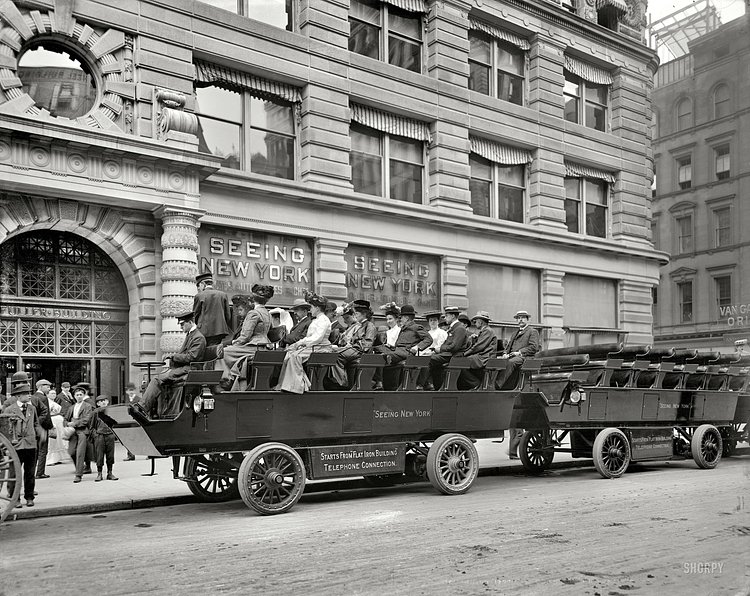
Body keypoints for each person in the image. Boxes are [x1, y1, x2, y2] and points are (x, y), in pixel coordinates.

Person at [133, 311, 207, 419]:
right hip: (185, 368)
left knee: (157, 380)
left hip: (190, 369)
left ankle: (142, 408)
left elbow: (192, 357)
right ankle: (151, 411)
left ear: (190, 322)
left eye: (182, 324)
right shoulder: (191, 335)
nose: (181, 327)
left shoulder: (198, 337)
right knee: (158, 380)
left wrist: (173, 357)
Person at [500, 309, 541, 459]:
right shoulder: (515, 333)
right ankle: (512, 452)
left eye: (523, 318)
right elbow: (508, 347)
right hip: (513, 361)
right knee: (502, 361)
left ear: (528, 319)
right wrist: (505, 352)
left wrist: (519, 353)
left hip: (524, 360)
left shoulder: (532, 332)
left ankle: (498, 385)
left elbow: (534, 347)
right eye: (518, 318)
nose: (520, 320)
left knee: (509, 363)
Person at [275, 292, 333, 394]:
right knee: (289, 354)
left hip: (321, 347)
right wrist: (298, 344)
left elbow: (317, 338)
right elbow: (311, 338)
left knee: (295, 357)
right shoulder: (317, 320)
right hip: (314, 346)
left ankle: (299, 385)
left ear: (317, 308)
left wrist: (300, 343)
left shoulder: (323, 320)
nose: (310, 310)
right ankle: (286, 384)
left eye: (312, 307)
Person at [220, 285, 274, 390]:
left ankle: (226, 380)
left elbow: (245, 337)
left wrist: (233, 343)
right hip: (265, 346)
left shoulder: (253, 313)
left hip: (254, 347)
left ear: (253, 299)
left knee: (223, 352)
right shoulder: (267, 313)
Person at [376, 304, 432, 391]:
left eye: (401, 317)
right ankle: (384, 384)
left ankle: (380, 383)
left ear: (406, 318)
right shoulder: (403, 328)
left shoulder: (416, 327)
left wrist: (417, 347)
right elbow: (400, 344)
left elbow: (428, 339)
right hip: (397, 351)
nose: (400, 319)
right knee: (376, 350)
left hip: (406, 352)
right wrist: (391, 346)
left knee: (382, 357)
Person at [2, 383, 40, 507]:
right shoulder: (9, 410)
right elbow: (5, 430)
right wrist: (7, 447)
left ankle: (29, 497)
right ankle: (15, 499)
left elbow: (35, 424)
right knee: (14, 473)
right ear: (18, 396)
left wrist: (38, 435)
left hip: (30, 444)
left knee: (30, 473)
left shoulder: (32, 408)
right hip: (16, 446)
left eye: (29, 393)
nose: (29, 396)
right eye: (26, 394)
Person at [329, 300, 378, 387]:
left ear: (364, 314)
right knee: (331, 352)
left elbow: (367, 344)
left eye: (357, 314)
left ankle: (342, 383)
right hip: (354, 349)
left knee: (335, 355)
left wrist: (351, 346)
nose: (355, 316)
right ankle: (338, 379)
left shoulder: (370, 326)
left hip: (360, 351)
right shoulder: (359, 325)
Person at [428, 306, 470, 390]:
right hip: (449, 354)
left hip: (454, 356)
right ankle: (437, 386)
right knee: (431, 359)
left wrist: (440, 349)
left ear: (453, 316)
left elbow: (455, 346)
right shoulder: (454, 328)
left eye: (447, 316)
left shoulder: (459, 328)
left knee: (429, 359)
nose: (445, 318)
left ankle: (429, 384)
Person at [459, 311, 498, 389]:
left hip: (484, 358)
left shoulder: (487, 331)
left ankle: (476, 384)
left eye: (476, 321)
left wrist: (465, 354)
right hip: (482, 356)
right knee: (461, 362)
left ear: (481, 321)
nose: (474, 323)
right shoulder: (485, 331)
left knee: (460, 363)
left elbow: (478, 347)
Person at [193, 272, 232, 347]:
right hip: (219, 331)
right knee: (215, 352)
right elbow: (228, 316)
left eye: (198, 286)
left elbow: (195, 315)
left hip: (204, 331)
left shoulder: (199, 296)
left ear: (202, 284)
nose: (198, 289)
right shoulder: (223, 295)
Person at [64, 385, 93, 483]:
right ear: (74, 396)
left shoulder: (87, 406)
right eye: (77, 395)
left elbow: (86, 419)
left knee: (80, 452)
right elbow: (65, 419)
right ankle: (83, 467)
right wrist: (67, 424)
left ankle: (78, 474)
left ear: (84, 395)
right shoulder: (72, 407)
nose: (79, 396)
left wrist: (74, 423)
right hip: (72, 431)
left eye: (81, 394)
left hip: (83, 431)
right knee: (71, 452)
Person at [92, 395, 118, 482]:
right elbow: (92, 425)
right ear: (98, 404)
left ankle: (110, 473)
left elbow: (116, 423)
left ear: (108, 402)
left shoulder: (112, 411)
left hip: (110, 435)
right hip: (100, 435)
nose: (103, 402)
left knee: (110, 455)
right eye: (101, 401)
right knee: (99, 455)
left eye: (105, 400)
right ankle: (99, 473)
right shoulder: (95, 412)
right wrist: (95, 435)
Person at [32, 378, 53, 480]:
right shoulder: (43, 398)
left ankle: (33, 471)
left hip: (33, 427)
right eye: (47, 386)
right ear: (40, 387)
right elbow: (46, 414)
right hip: (43, 427)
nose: (49, 388)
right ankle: (40, 472)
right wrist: (49, 426)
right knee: (43, 450)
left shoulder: (33, 397)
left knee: (35, 450)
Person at [46, 388, 70, 466]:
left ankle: (58, 458)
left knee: (59, 440)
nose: (54, 395)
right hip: (53, 421)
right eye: (51, 393)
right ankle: (51, 460)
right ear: (47, 394)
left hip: (58, 421)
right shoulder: (47, 403)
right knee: (53, 440)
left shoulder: (54, 402)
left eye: (54, 393)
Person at [122, 382, 139, 461]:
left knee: (141, 438)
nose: (131, 392)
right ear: (126, 391)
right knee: (129, 438)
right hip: (128, 421)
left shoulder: (138, 399)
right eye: (129, 390)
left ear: (135, 391)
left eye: (132, 390)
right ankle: (130, 455)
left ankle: (149, 454)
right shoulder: (125, 400)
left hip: (137, 421)